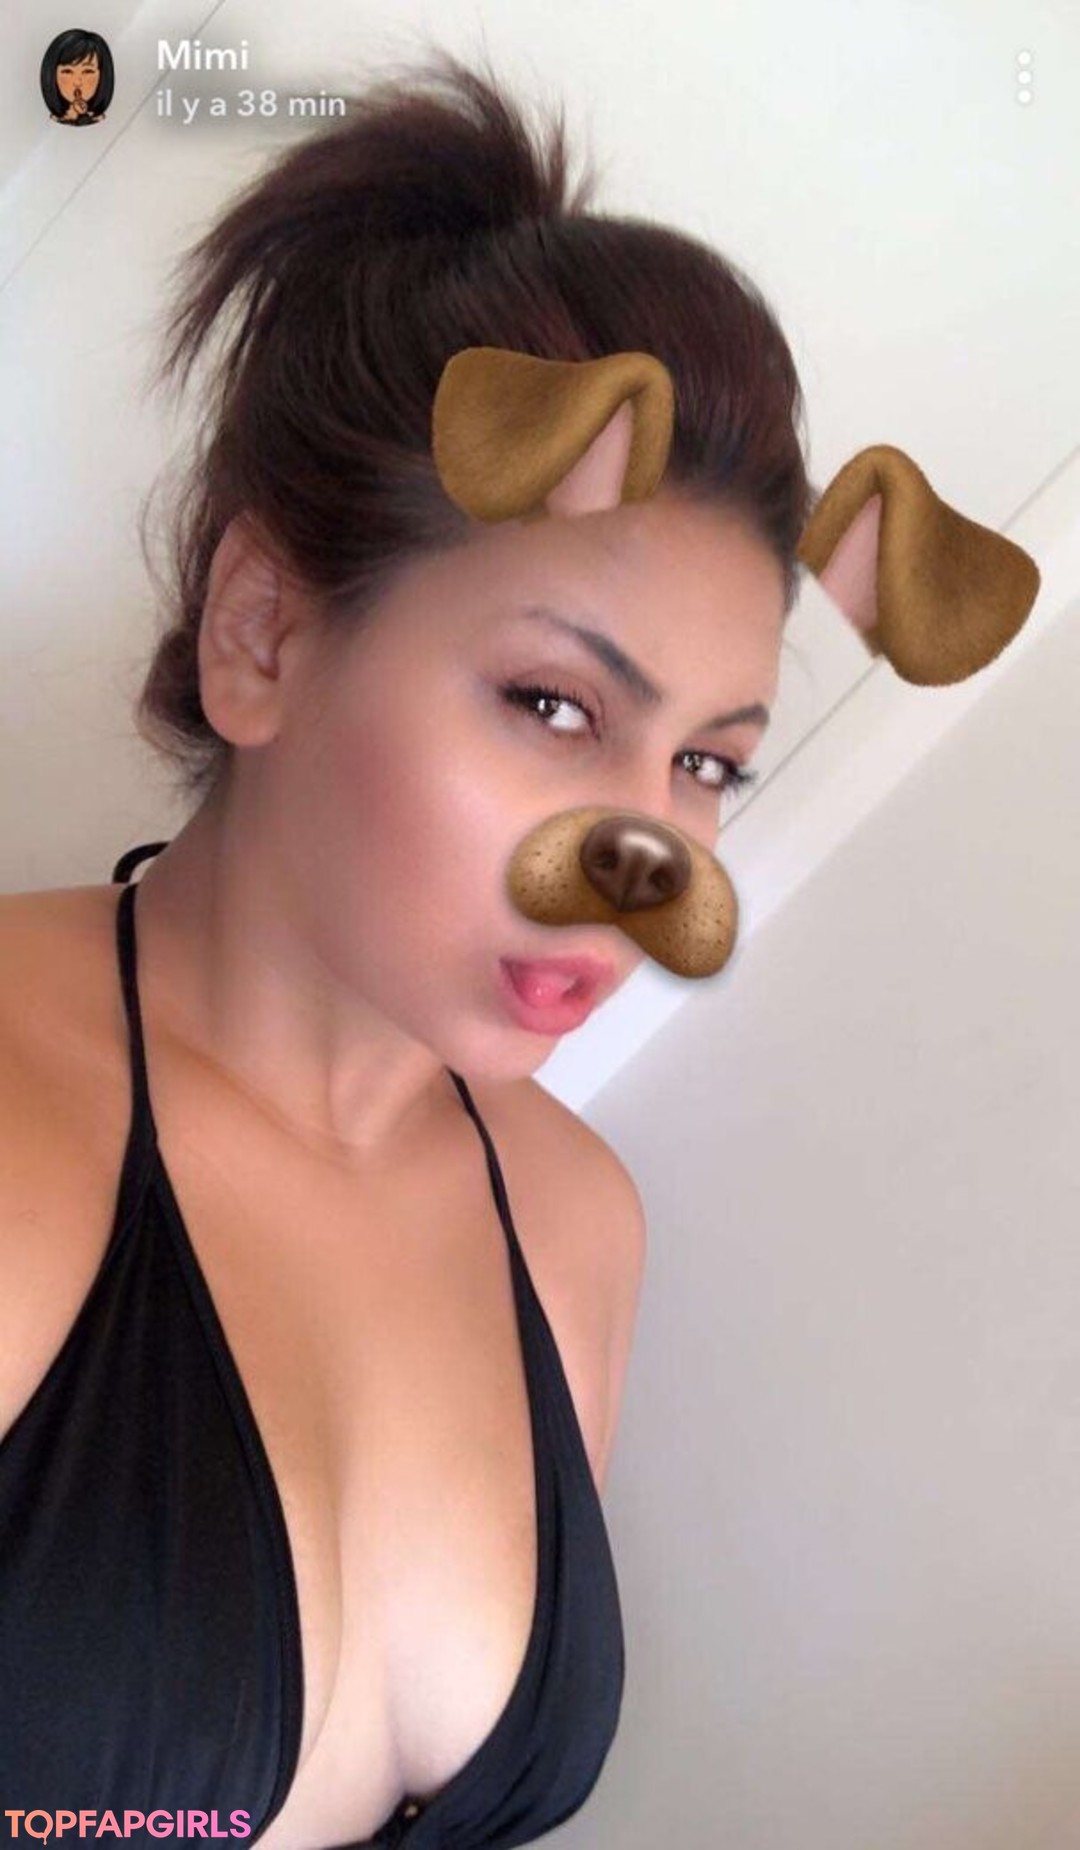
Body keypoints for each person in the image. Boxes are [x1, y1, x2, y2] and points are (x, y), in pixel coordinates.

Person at [0, 44, 816, 1850]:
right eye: (553, 703)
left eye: (706, 764)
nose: (645, 857)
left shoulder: (578, 1225)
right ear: (266, 633)